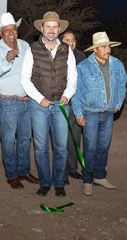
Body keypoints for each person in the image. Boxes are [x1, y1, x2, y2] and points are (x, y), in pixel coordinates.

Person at [21, 11, 77, 197]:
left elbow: (73, 77)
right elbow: (25, 79)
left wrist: (68, 95)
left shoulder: (67, 50)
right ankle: (45, 182)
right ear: (42, 28)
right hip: (39, 106)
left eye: (55, 27)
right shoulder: (32, 49)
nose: (51, 30)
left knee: (61, 147)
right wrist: (40, 99)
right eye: (48, 26)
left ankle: (59, 182)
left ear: (59, 29)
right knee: (41, 146)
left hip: (61, 105)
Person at [71, 31, 127, 196]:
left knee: (104, 146)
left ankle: (100, 176)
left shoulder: (117, 64)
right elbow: (76, 92)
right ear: (95, 49)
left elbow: (123, 85)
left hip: (109, 113)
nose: (107, 49)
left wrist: (118, 103)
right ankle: (87, 180)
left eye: (109, 46)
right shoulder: (83, 67)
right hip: (91, 113)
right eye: (103, 46)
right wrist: (79, 114)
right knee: (90, 147)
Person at [0, 12, 39, 190]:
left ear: (17, 31)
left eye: (13, 30)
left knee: (25, 138)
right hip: (8, 102)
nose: (10, 33)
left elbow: (33, 68)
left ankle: (24, 171)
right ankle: (12, 174)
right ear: (1, 34)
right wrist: (7, 59)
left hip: (26, 100)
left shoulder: (25, 46)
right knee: (9, 139)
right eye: (6, 31)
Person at [61, 29, 86, 180]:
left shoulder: (82, 57)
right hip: (61, 102)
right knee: (61, 138)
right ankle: (61, 171)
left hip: (76, 102)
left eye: (73, 40)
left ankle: (72, 167)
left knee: (75, 137)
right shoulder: (56, 56)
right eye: (67, 40)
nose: (71, 43)